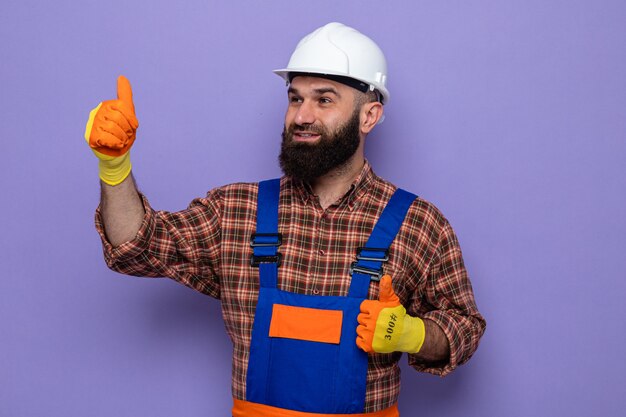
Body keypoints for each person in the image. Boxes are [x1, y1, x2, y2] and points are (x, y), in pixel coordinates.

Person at [86, 22, 485, 417]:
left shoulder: (417, 223)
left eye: (324, 100)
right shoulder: (237, 211)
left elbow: (464, 328)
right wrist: (115, 167)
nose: (302, 116)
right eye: (295, 99)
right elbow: (134, 247)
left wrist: (414, 335)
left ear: (369, 116)